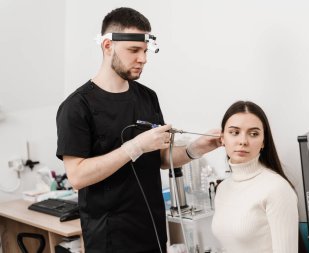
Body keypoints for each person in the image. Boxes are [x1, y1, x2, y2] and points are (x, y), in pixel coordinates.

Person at [56, 7, 220, 253]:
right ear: (107, 46)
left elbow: (161, 158)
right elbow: (78, 176)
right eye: (133, 50)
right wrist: (135, 146)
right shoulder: (77, 106)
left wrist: (196, 149)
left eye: (145, 50)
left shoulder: (147, 97)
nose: (142, 58)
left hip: (152, 231)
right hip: (109, 238)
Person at [211, 101, 298, 253]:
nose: (243, 141)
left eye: (253, 134)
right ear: (222, 138)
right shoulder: (222, 188)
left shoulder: (278, 189)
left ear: (264, 141)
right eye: (234, 132)